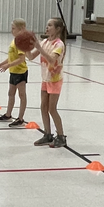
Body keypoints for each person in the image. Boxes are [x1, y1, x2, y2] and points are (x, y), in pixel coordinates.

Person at [28, 18, 68, 148]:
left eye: (50, 25)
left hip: (55, 80)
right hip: (45, 79)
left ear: (57, 29)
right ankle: (47, 134)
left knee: (52, 109)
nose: (47, 27)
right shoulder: (45, 42)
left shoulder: (59, 45)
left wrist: (39, 47)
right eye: (47, 25)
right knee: (43, 107)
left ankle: (61, 137)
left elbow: (52, 60)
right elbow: (31, 56)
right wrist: (25, 46)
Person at [0, 18, 29, 127]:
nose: (12, 31)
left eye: (14, 29)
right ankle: (8, 114)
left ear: (21, 29)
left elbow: (21, 59)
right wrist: (0, 64)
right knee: (11, 93)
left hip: (21, 71)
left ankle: (20, 118)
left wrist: (8, 65)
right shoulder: (14, 40)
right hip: (13, 71)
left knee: (22, 94)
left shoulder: (21, 42)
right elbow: (11, 58)